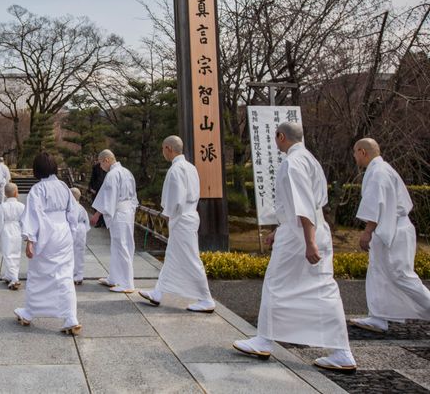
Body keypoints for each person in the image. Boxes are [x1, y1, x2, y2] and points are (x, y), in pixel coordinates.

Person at [233, 122, 356, 372]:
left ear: (281, 136)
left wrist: (308, 241)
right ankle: (342, 351)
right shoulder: (310, 159)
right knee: (323, 288)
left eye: (275, 137)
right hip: (312, 229)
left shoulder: (292, 163)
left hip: (301, 235)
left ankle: (264, 340)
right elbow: (306, 205)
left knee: (276, 283)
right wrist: (280, 230)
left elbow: (303, 205)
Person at [349, 138, 430, 333]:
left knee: (401, 274)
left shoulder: (378, 172)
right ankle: (379, 316)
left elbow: (377, 204)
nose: (354, 157)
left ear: (362, 152)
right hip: (390, 227)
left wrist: (367, 232)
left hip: (394, 229)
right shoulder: (381, 169)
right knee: (379, 272)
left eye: (355, 153)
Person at [138, 136, 215, 312]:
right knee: (172, 257)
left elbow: (176, 200)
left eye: (163, 149)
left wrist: (167, 215)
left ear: (168, 148)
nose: (162, 152)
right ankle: (158, 293)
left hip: (181, 219)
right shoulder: (190, 167)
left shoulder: (176, 170)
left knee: (190, 258)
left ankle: (206, 298)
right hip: (189, 216)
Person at [15, 152, 81, 335]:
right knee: (65, 274)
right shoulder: (64, 186)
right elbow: (73, 212)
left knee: (38, 274)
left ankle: (29, 312)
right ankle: (71, 317)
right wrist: (71, 232)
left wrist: (30, 239)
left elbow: (33, 215)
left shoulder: (38, 189)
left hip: (46, 233)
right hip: (64, 232)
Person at [91, 149, 138, 293]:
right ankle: (115, 277)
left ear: (106, 160)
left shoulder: (112, 174)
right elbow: (133, 195)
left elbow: (108, 198)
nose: (100, 166)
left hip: (119, 212)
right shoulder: (127, 172)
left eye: (100, 163)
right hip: (128, 211)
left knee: (121, 245)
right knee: (121, 245)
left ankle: (127, 283)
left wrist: (97, 214)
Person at [0, 182, 25, 290]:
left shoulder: (2, 206)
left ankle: (14, 279)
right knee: (16, 253)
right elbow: (25, 221)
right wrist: (26, 234)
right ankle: (9, 275)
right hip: (17, 230)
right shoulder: (21, 206)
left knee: (8, 253)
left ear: (5, 194)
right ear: (16, 193)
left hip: (7, 229)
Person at [70, 187, 91, 285]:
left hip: (75, 228)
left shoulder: (72, 207)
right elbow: (87, 222)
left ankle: (74, 273)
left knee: (72, 252)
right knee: (80, 252)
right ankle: (79, 274)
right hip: (82, 228)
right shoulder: (82, 207)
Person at [89, 158, 107, 227]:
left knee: (104, 205)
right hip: (96, 188)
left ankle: (104, 222)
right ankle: (99, 221)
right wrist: (91, 187)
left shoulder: (109, 168)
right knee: (96, 205)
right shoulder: (95, 167)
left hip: (104, 188)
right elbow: (93, 178)